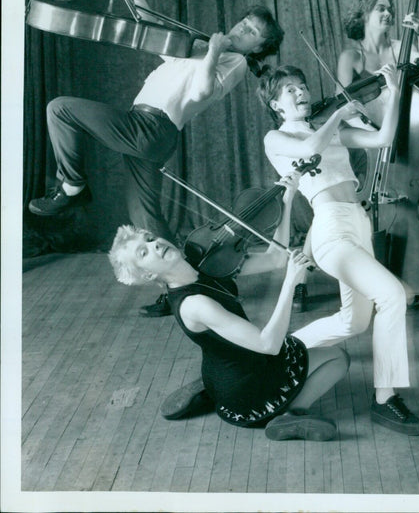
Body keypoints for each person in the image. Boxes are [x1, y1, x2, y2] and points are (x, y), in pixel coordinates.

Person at [28, 0, 284, 244]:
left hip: (151, 129)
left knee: (60, 110)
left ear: (258, 48)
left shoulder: (236, 62)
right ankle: (182, 279)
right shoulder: (201, 47)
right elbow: (156, 30)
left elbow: (202, 91)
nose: (243, 30)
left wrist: (213, 53)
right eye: (244, 23)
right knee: (145, 216)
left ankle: (72, 185)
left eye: (252, 32)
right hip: (149, 130)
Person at [108, 172, 349, 441]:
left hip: (230, 368)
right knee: (339, 358)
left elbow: (275, 260)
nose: (155, 245)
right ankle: (290, 415)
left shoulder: (204, 261)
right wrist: (291, 282)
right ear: (149, 275)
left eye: (150, 239)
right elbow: (267, 344)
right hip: (247, 389)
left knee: (307, 353)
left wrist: (288, 199)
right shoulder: (195, 305)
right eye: (144, 253)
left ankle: (210, 390)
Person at [260, 63, 419, 436]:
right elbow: (309, 146)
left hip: (358, 222)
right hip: (330, 227)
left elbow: (383, 139)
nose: (301, 92)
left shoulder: (328, 129)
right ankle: (385, 398)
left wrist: (395, 90)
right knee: (393, 295)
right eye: (290, 90)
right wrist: (337, 115)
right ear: (276, 104)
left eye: (302, 85)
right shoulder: (277, 137)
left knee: (355, 321)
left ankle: (270, 349)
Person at [288, 0, 419, 313]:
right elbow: (348, 100)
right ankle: (299, 277)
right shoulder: (351, 57)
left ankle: (389, 273)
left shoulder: (400, 48)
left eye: (389, 9)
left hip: (394, 131)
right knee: (341, 206)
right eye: (380, 8)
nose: (387, 14)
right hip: (361, 134)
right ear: (364, 15)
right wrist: (381, 89)